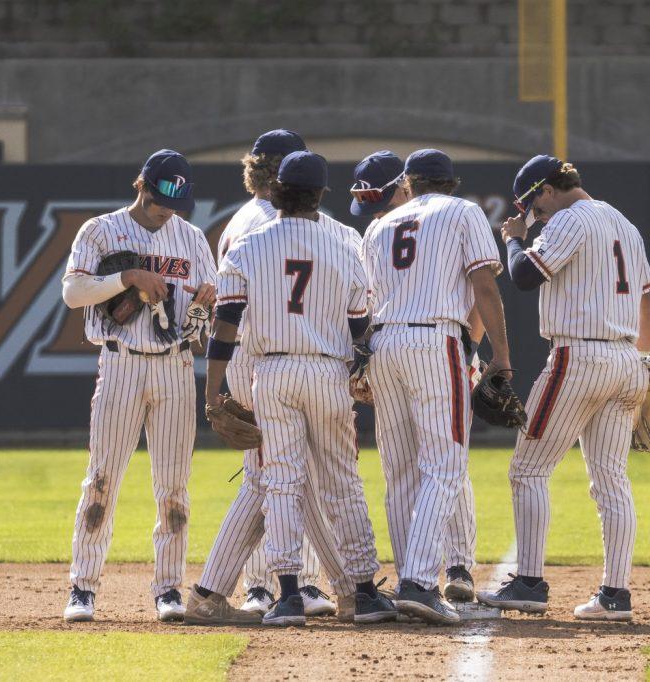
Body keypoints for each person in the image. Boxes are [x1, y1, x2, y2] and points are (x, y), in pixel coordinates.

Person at [186, 151, 396, 627]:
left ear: (277, 187)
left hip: (273, 373)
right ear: (321, 194)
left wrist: (214, 392)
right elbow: (361, 328)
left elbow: (225, 326)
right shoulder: (344, 245)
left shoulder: (249, 244)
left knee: (281, 483)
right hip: (327, 372)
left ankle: (286, 597)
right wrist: (359, 374)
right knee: (342, 482)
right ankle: (362, 592)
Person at [477, 156, 650, 622]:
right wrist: (642, 359)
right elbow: (647, 298)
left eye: (534, 207)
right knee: (612, 480)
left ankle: (530, 583)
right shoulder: (625, 223)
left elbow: (523, 276)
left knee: (528, 469)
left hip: (579, 357)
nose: (536, 217)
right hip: (626, 358)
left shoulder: (571, 219)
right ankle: (615, 595)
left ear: (546, 191)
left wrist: (515, 240)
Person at [61, 149, 216, 623]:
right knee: (102, 479)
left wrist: (201, 310)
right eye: (160, 198)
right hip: (122, 361)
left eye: (176, 200)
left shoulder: (190, 239)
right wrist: (128, 276)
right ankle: (82, 588)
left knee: (174, 487)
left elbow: (200, 327)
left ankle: (168, 588)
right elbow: (73, 293)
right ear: (141, 186)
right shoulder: (101, 230)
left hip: (174, 365)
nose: (167, 208)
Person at [361, 149, 511, 624]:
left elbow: (364, 303)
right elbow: (484, 286)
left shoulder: (379, 225)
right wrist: (502, 357)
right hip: (434, 339)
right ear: (452, 182)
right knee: (445, 465)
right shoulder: (464, 211)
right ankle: (420, 582)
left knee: (401, 470)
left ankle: (411, 577)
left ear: (409, 182)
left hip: (383, 343)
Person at [205, 129, 334, 618]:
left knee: (271, 473)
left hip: (250, 353)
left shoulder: (241, 218)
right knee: (277, 474)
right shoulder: (279, 222)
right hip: (268, 355)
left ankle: (269, 583)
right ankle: (272, 584)